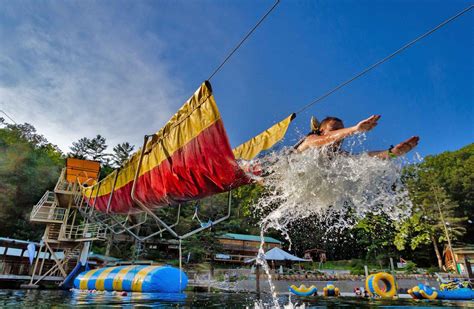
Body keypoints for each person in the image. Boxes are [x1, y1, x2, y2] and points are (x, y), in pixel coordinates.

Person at [294, 115, 419, 159]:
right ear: (321, 131)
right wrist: (354, 129)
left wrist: (393, 153)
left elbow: (366, 158)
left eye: (342, 130)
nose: (340, 134)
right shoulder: (310, 140)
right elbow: (326, 139)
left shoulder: (338, 155)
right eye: (335, 130)